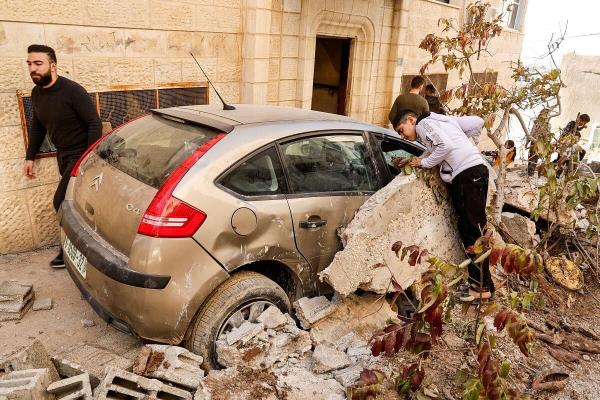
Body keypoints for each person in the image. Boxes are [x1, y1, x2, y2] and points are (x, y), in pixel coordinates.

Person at [395, 110, 494, 301]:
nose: (402, 136)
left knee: (472, 232)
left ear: (410, 120)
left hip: (466, 176)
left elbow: (445, 146)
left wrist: (424, 162)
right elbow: (478, 121)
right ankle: (486, 285)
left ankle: (480, 289)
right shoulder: (445, 120)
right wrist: (465, 144)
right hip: (478, 171)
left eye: (401, 130)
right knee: (478, 231)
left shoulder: (423, 124)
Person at [24, 44, 102, 268]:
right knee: (74, 204)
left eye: (38, 63)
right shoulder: (37, 93)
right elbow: (38, 126)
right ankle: (80, 247)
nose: (33, 68)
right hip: (63, 155)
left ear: (53, 66)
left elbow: (94, 124)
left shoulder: (72, 91)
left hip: (80, 155)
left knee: (61, 201)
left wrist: (87, 160)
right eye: (29, 64)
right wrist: (30, 157)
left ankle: (67, 250)